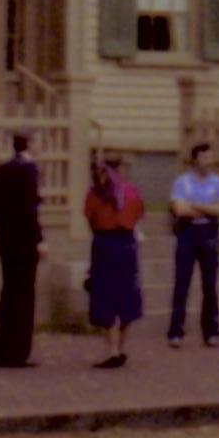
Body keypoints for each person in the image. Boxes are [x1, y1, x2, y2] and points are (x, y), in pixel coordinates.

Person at [0, 131, 47, 368]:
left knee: (8, 293)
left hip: (6, 240)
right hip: (24, 242)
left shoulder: (2, 169)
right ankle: (17, 351)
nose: (41, 146)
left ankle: (2, 348)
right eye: (38, 141)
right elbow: (28, 209)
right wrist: (38, 239)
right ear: (29, 144)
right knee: (23, 295)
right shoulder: (29, 170)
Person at [166, 140, 219, 348]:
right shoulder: (182, 182)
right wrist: (209, 208)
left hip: (209, 233)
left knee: (210, 284)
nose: (209, 161)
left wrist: (195, 206)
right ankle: (176, 332)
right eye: (204, 157)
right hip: (187, 233)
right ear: (195, 160)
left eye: (211, 157)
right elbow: (179, 209)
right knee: (182, 283)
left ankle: (211, 332)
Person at [83, 150, 145, 369]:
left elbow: (90, 218)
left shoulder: (95, 193)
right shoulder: (130, 191)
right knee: (126, 294)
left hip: (104, 244)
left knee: (105, 295)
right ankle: (122, 346)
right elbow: (138, 214)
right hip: (127, 244)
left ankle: (111, 348)